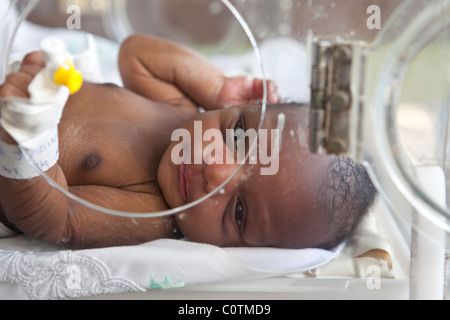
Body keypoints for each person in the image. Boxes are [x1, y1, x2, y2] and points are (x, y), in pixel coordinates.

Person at [0, 34, 377, 250]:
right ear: (244, 106)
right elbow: (136, 56)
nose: (214, 170)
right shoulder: (181, 110)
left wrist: (24, 137)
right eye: (240, 136)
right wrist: (214, 86)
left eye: (239, 211)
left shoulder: (153, 214)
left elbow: (55, 217)